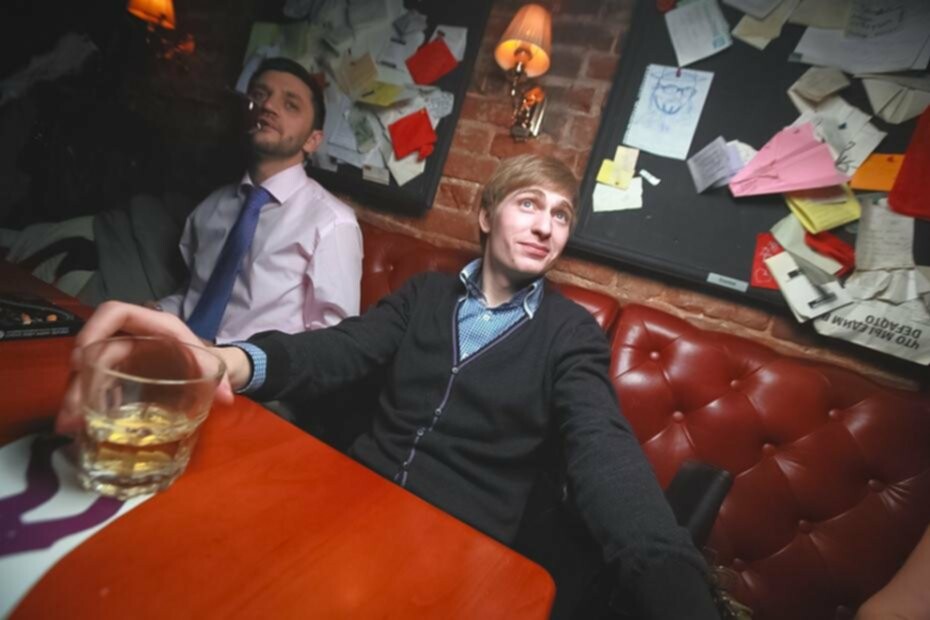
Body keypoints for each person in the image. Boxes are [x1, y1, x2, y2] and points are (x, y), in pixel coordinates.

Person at [57, 154, 719, 618]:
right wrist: (226, 362)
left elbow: (603, 447)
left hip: (461, 546)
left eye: (562, 215)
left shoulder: (571, 333)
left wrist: (672, 581)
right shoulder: (425, 295)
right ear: (486, 215)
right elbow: (340, 348)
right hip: (350, 501)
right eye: (529, 204)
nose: (547, 226)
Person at [156, 57, 363, 343]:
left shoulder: (332, 223)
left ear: (312, 141)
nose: (268, 106)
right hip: (176, 347)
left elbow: (332, 347)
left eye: (290, 104)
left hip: (252, 369)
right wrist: (159, 311)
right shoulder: (212, 206)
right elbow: (195, 295)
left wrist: (235, 360)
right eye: (259, 95)